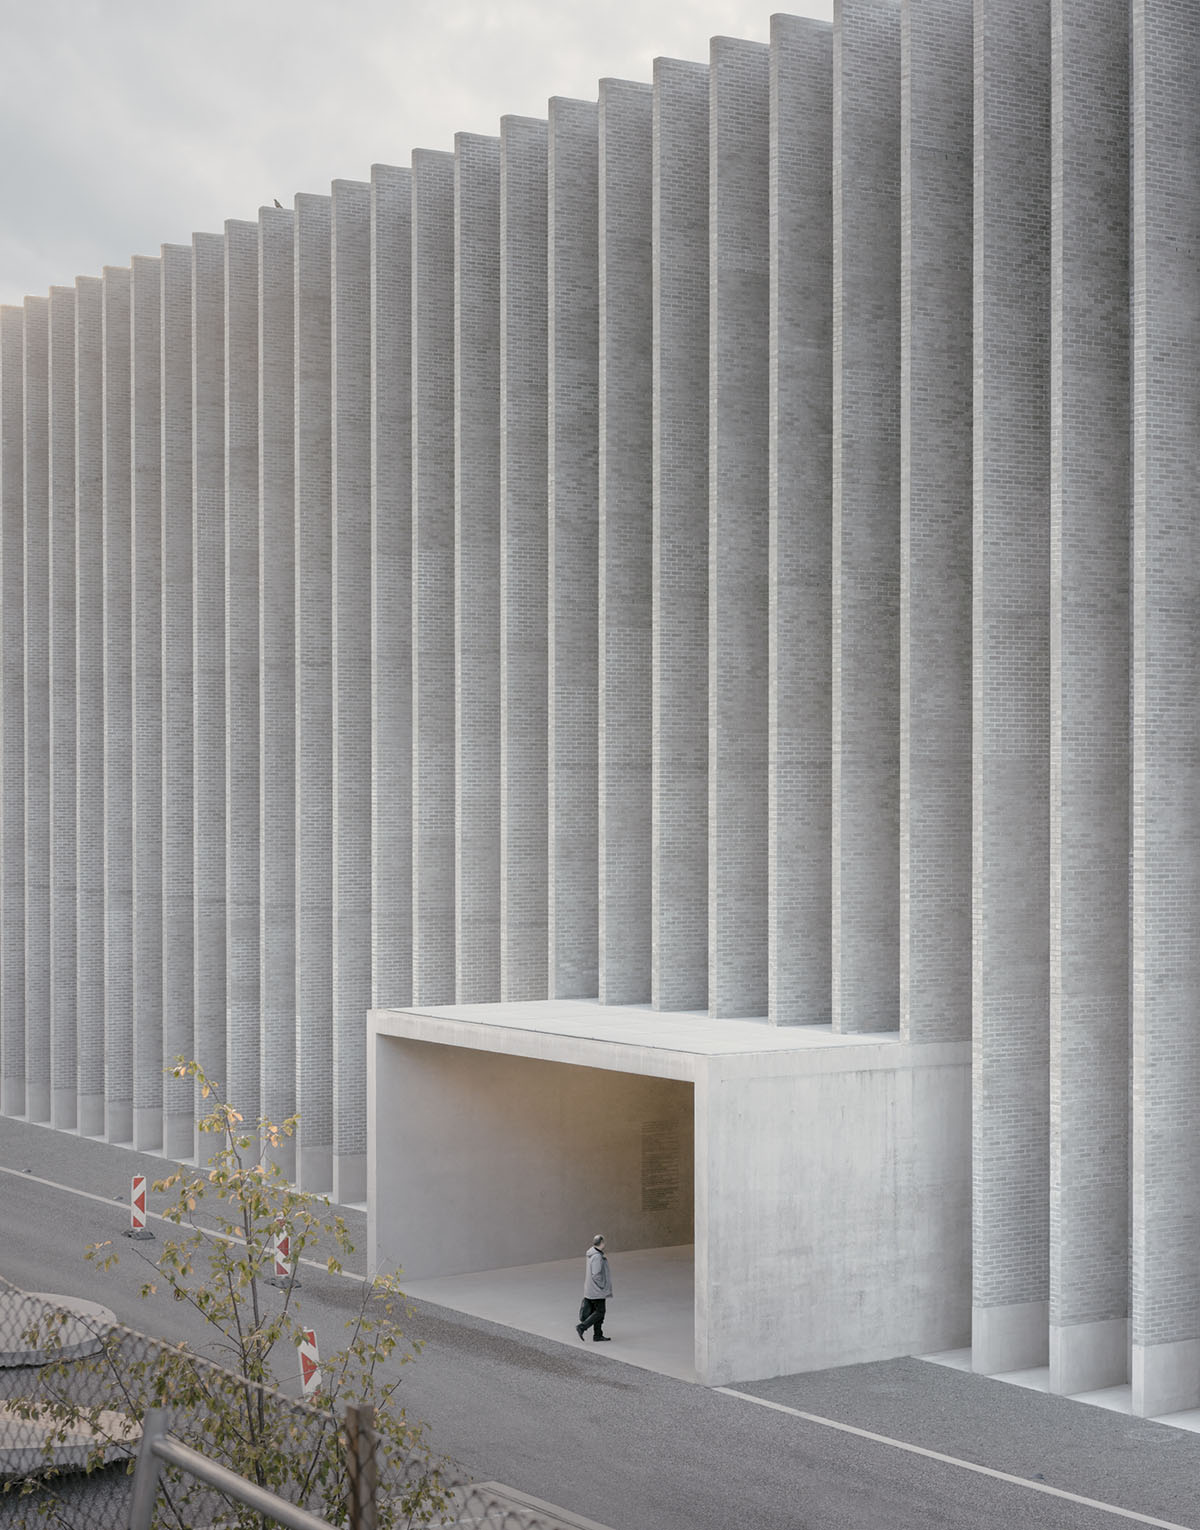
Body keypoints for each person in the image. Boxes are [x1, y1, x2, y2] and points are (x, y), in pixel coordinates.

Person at [576, 1234, 613, 1342]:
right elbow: (596, 1274)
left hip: (590, 1289)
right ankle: (582, 1327)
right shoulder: (597, 1257)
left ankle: (598, 1335)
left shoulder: (591, 1253)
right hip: (597, 1290)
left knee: (598, 1312)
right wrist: (602, 1285)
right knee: (600, 1312)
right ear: (602, 1243)